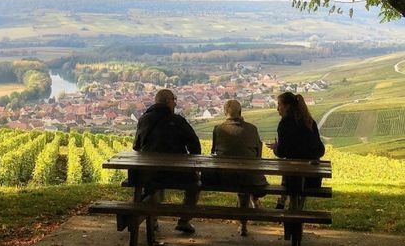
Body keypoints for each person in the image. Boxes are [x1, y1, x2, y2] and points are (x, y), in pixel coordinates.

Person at [133, 88, 201, 234]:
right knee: (195, 185)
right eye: (174, 100)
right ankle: (184, 220)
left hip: (150, 174)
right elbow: (195, 146)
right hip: (177, 173)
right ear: (168, 102)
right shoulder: (178, 121)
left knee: (152, 187)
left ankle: (154, 220)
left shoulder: (143, 120)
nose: (175, 104)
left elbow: (136, 146)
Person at [210, 99, 268, 235]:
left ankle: (243, 222)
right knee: (245, 178)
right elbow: (258, 155)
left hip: (224, 178)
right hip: (249, 176)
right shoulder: (252, 129)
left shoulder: (218, 129)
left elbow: (214, 152)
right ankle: (243, 224)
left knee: (239, 176)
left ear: (225, 113)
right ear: (241, 112)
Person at [267, 91, 325, 206]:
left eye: (279, 105)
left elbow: (282, 152)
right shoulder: (310, 122)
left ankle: (283, 202)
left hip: (292, 180)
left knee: (291, 166)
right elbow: (320, 150)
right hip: (313, 179)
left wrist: (276, 148)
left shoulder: (285, 124)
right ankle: (294, 206)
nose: (277, 109)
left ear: (287, 106)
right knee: (295, 168)